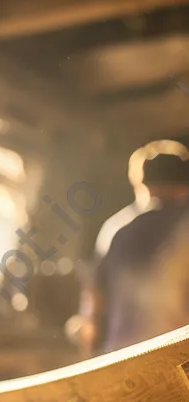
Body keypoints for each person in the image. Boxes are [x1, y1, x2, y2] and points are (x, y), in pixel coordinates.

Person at [82, 149, 189, 354]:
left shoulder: (116, 229)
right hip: (179, 357)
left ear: (142, 185)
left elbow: (94, 304)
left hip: (124, 358)